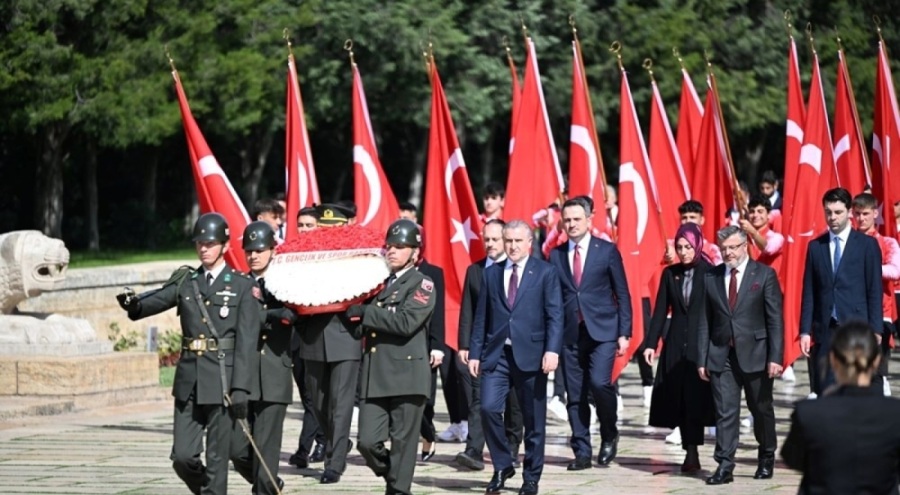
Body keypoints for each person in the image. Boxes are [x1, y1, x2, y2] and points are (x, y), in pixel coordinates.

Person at [116, 212, 261, 495]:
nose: (204, 249)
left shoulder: (243, 286)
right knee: (182, 457)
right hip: (189, 379)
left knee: (218, 457)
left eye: (210, 243)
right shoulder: (187, 281)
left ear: (224, 246)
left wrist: (241, 387)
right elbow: (157, 299)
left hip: (222, 379)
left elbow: (246, 343)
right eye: (200, 243)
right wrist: (134, 305)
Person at [469, 219, 563, 495]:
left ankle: (531, 477)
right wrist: (475, 352)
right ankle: (502, 464)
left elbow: (555, 315)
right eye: (508, 240)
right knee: (488, 408)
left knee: (533, 421)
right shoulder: (491, 273)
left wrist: (552, 350)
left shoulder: (545, 272)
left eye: (517, 241)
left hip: (532, 355)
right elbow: (481, 317)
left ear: (529, 243)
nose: (512, 246)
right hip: (497, 354)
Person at [347, 218, 436, 495]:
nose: (393, 251)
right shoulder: (377, 284)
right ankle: (394, 474)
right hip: (375, 375)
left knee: (403, 444)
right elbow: (363, 324)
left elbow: (406, 322)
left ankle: (398, 487)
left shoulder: (422, 284)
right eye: (390, 246)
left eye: (400, 246)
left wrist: (367, 313)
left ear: (415, 252)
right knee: (366, 442)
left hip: (407, 377)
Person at [548, 196, 632, 470]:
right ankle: (582, 451)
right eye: (567, 220)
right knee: (575, 395)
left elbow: (622, 293)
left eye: (577, 219)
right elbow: (552, 298)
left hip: (603, 331)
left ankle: (609, 431)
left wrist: (624, 332)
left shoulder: (606, 251)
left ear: (588, 219)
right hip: (571, 333)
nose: (572, 224)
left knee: (599, 383)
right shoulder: (556, 255)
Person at [697, 225, 784, 485]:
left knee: (761, 409)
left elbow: (775, 320)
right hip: (722, 354)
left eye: (733, 247)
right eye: (723, 248)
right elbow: (704, 320)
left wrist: (776, 357)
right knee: (725, 412)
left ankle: (766, 455)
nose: (728, 253)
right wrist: (702, 358)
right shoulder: (711, 277)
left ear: (745, 246)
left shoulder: (764, 274)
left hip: (757, 354)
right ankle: (724, 465)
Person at [781, 321, 900, 494]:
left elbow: (793, 459)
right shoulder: (894, 415)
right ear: (876, 361)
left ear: (833, 360)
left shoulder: (809, 413)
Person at [294, 203, 363, 484]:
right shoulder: (306, 257)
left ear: (345, 228)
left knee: (341, 404)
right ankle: (338, 441)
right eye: (324, 229)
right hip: (313, 337)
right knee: (318, 403)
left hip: (345, 336)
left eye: (334, 229)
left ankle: (334, 464)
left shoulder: (357, 256)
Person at [642, 223, 716, 473]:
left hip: (700, 343)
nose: (683, 252)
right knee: (680, 396)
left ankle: (695, 449)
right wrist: (651, 343)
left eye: (688, 247)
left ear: (698, 245)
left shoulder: (710, 273)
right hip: (675, 342)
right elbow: (660, 311)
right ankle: (689, 449)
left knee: (696, 397)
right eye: (679, 247)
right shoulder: (670, 274)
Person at [456, 219, 524, 471]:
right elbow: (468, 310)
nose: (490, 244)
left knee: (514, 401)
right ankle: (473, 450)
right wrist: (464, 345)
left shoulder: (517, 270)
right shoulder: (475, 271)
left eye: (495, 239)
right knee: (479, 399)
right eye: (487, 239)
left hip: (514, 346)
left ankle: (512, 445)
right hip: (483, 348)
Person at [800, 187, 882, 396]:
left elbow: (874, 289)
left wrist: (876, 329)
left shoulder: (867, 245)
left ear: (849, 212)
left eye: (838, 212)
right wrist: (805, 331)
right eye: (828, 212)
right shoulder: (815, 247)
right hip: (825, 328)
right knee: (826, 388)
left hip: (857, 328)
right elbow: (809, 291)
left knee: (859, 388)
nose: (832, 217)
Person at [232, 221, 294, 494]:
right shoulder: (239, 285)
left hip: (273, 372)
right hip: (244, 376)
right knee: (237, 449)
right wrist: (270, 315)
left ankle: (265, 486)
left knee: (267, 450)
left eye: (259, 250)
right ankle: (268, 482)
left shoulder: (286, 284)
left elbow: (298, 314)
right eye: (249, 251)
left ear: (273, 250)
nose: (253, 255)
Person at [288, 205, 327, 468]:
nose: (304, 230)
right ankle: (326, 437)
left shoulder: (328, 257)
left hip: (320, 336)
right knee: (306, 396)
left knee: (315, 397)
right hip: (295, 337)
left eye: (309, 225)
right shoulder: (289, 256)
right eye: (300, 225)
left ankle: (305, 449)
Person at [851, 192, 900, 395]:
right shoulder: (847, 242)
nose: (861, 218)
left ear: (875, 213)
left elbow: (895, 270)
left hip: (880, 314)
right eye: (857, 214)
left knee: (877, 374)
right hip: (851, 313)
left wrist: (867, 268)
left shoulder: (888, 242)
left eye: (865, 214)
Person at [663, 200, 723, 266]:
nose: (688, 221)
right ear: (680, 220)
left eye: (692, 217)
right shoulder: (669, 245)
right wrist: (667, 254)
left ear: (702, 220)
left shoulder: (712, 250)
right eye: (684, 218)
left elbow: (719, 270)